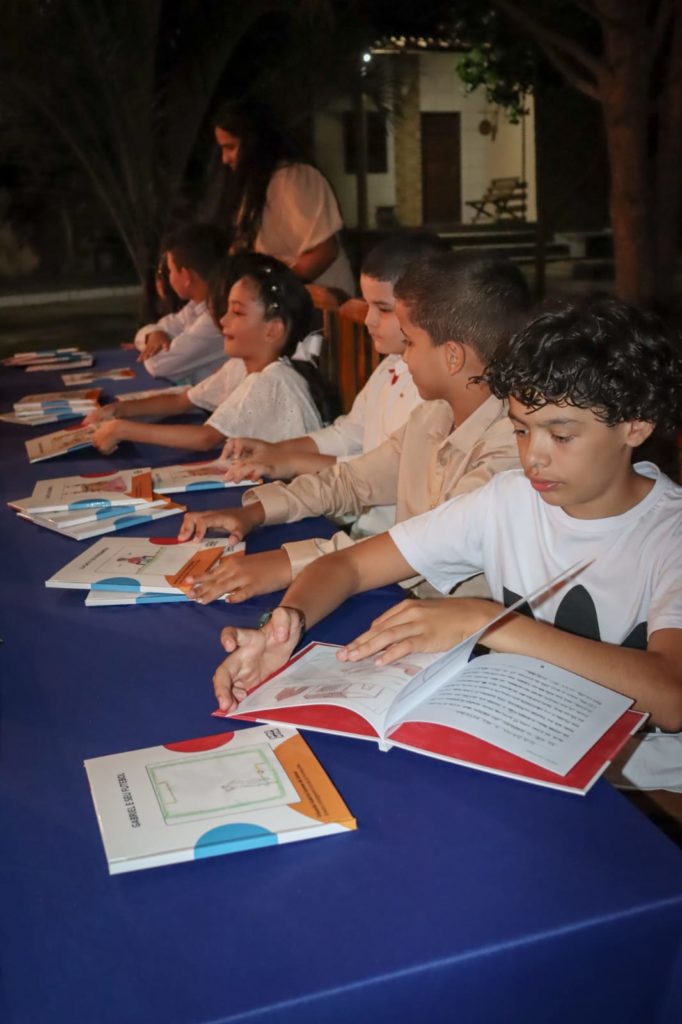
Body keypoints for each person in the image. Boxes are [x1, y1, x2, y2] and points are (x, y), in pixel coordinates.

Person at [209, 296, 682, 776]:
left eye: (560, 436)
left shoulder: (670, 533)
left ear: (635, 426)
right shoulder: (509, 500)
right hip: (525, 755)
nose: (534, 457)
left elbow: (671, 695)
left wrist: (491, 624)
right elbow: (349, 566)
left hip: (643, 796)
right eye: (521, 431)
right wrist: (285, 623)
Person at [178, 251, 531, 603]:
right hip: (398, 593)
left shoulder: (508, 451)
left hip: (458, 630)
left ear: (452, 356)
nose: (402, 357)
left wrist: (285, 563)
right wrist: (254, 512)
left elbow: (421, 548)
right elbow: (353, 480)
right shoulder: (433, 416)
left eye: (409, 343)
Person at [221, 231, 450, 525]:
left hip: (388, 538)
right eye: (367, 305)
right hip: (361, 525)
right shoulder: (391, 365)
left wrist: (290, 462)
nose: (368, 320)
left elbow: (379, 475)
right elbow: (349, 433)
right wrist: (277, 450)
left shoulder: (433, 389)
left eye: (383, 309)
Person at [90, 255, 333, 456]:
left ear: (272, 330)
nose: (223, 320)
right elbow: (185, 399)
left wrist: (123, 430)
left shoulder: (271, 380)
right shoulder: (244, 367)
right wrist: (120, 411)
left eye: (237, 313)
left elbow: (206, 438)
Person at [214, 99, 355, 296]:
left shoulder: (294, 179)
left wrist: (276, 289)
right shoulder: (254, 188)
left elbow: (324, 252)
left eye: (230, 147)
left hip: (320, 309)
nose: (225, 159)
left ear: (253, 143)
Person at [132, 224, 230, 385]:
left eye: (170, 271)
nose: (168, 278)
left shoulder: (218, 317)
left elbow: (158, 365)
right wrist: (154, 335)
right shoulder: (196, 306)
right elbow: (157, 327)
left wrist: (157, 341)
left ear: (186, 276)